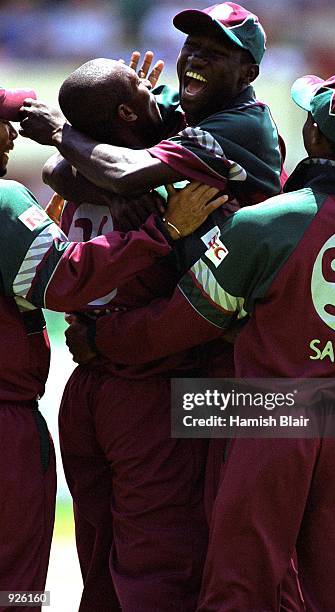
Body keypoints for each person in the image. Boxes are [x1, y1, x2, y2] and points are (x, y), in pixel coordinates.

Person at [68, 72, 335, 611]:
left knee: (242, 588)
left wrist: (103, 337)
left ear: (316, 137)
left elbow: (182, 321)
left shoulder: (264, 224)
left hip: (265, 414)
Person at [19, 5, 288, 610]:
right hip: (140, 366)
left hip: (214, 365)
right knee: (118, 553)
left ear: (248, 69)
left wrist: (88, 134)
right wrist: (127, 126)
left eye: (214, 51)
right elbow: (69, 173)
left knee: (209, 553)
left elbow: (109, 168)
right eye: (190, 44)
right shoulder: (176, 115)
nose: (191, 57)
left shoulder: (240, 125)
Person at [0, 86, 223, 612]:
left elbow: (64, 174)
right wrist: (162, 230)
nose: (10, 134)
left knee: (97, 559)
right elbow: (62, 277)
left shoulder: (70, 188)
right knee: (19, 583)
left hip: (85, 395)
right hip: (134, 391)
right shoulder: (10, 198)